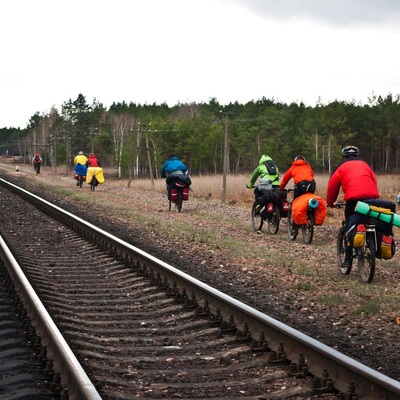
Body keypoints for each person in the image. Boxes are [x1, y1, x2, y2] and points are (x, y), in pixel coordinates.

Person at [326, 145, 379, 267]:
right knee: (370, 220)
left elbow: (332, 187)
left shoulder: (341, 167)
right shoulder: (366, 165)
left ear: (343, 156)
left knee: (349, 224)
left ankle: (348, 259)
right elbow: (374, 181)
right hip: (371, 196)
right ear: (357, 156)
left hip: (352, 198)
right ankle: (371, 244)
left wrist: (330, 203)